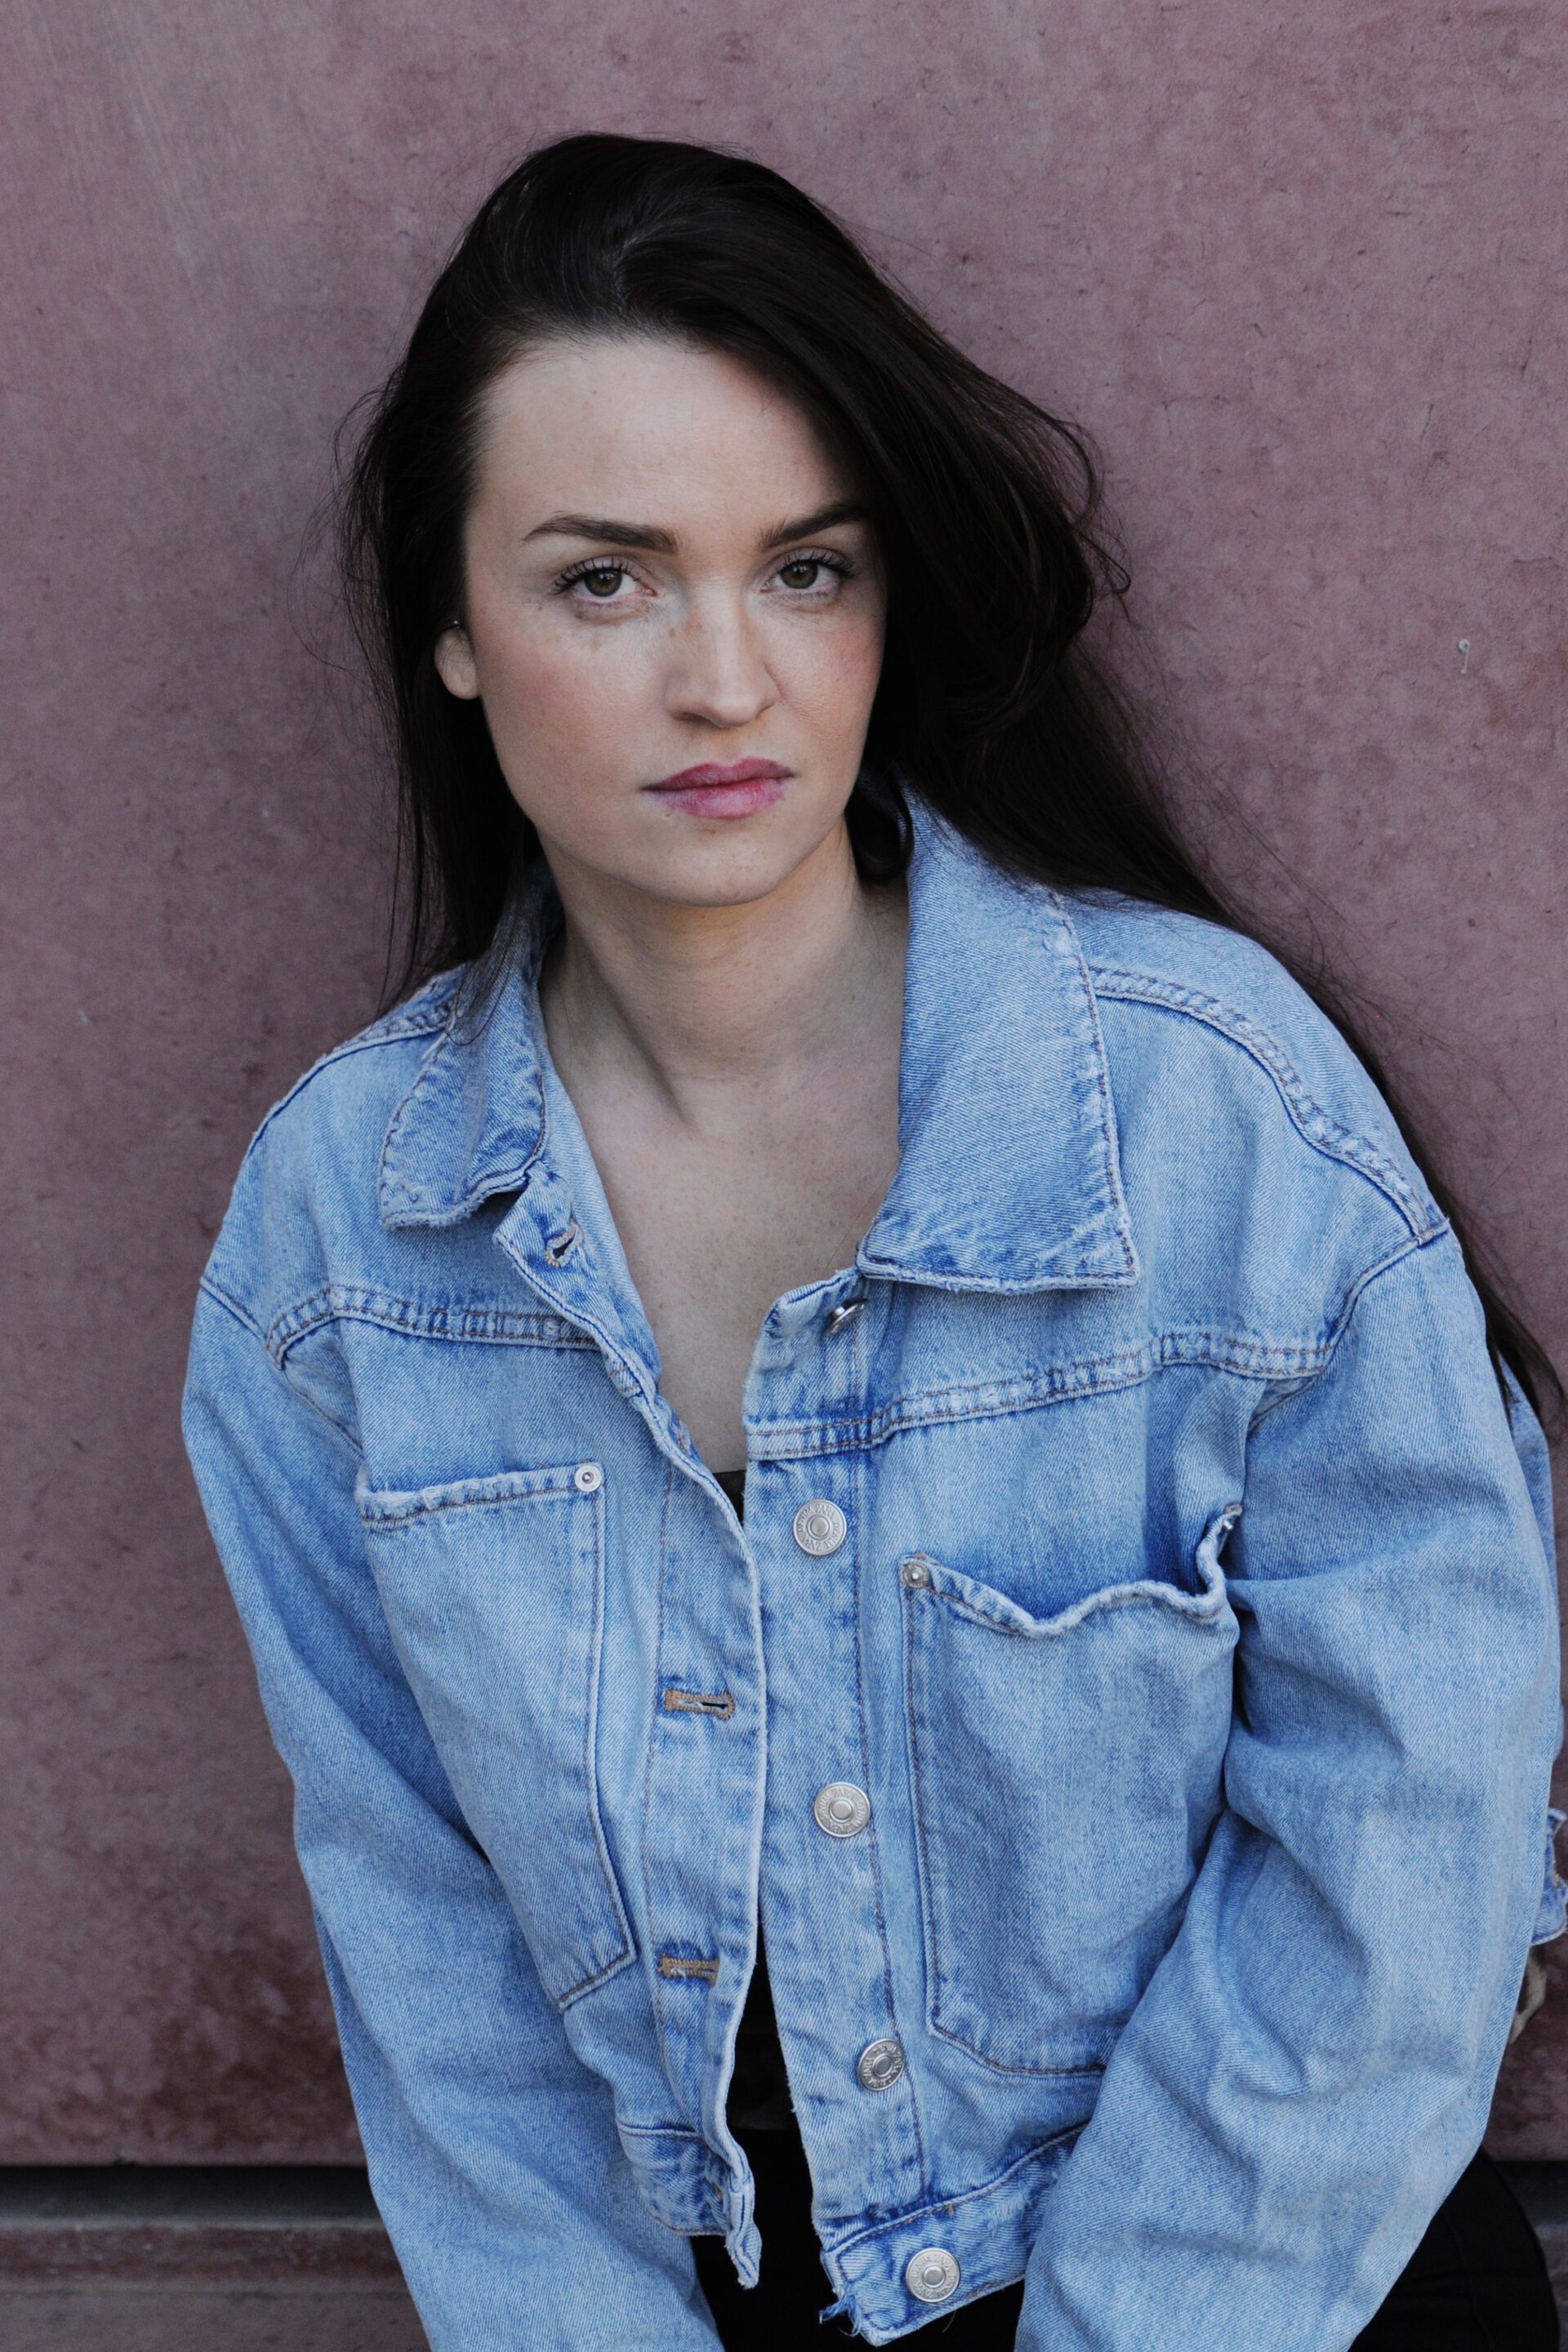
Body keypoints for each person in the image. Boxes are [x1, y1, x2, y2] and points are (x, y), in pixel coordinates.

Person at [183, 135, 1564, 2350]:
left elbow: (1411, 1837)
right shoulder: (344, 1240)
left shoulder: (1206, 1107)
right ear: (450, 625)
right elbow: (438, 1968)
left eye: (804, 569)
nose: (726, 679)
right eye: (606, 581)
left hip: (1267, 2289)